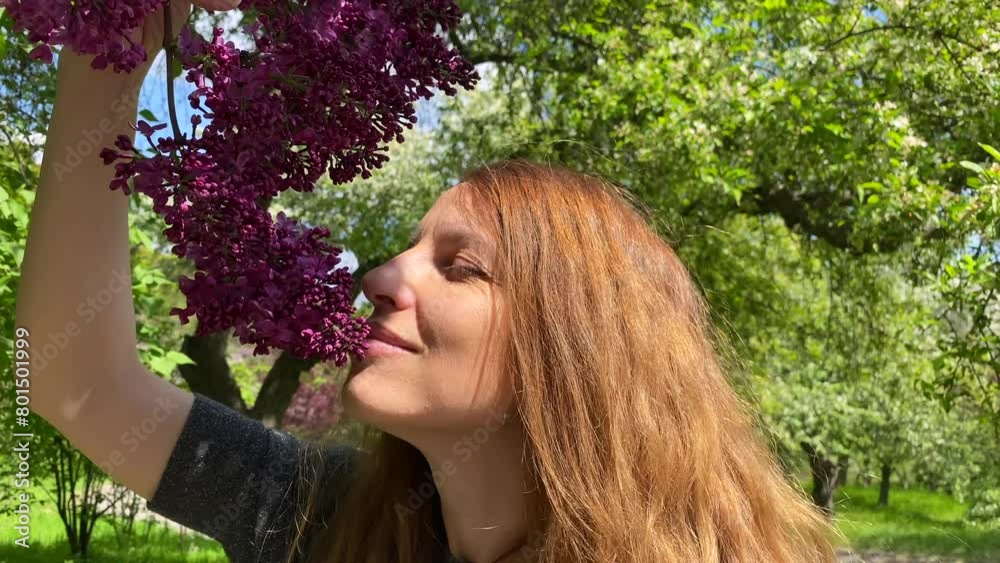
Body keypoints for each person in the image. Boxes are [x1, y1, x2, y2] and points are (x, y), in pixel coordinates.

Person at [14, 1, 839, 562]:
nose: (379, 275)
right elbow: (74, 382)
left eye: (461, 266)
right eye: (407, 249)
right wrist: (113, 33)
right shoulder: (326, 517)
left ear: (581, 343)